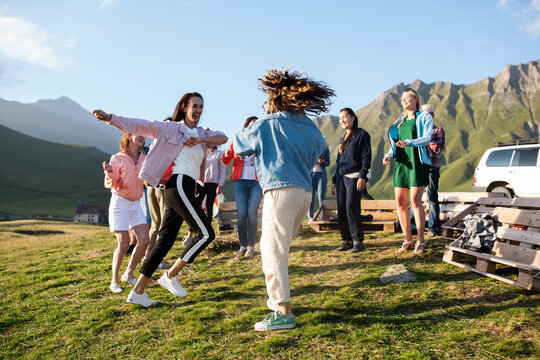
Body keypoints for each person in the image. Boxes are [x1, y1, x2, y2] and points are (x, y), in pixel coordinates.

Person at [93, 92, 228, 307]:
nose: (198, 110)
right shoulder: (171, 128)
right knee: (205, 233)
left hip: (188, 186)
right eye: (194, 106)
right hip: (178, 183)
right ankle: (171, 275)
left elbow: (223, 137)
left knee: (164, 241)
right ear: (184, 107)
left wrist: (201, 139)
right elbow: (140, 125)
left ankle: (138, 292)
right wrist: (111, 118)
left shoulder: (202, 133)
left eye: (201, 107)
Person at [234, 69, 332, 331]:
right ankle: (278, 302)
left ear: (275, 96)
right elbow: (320, 151)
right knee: (280, 249)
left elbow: (238, 146)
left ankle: (283, 311)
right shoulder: (311, 126)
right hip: (305, 192)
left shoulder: (268, 122)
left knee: (272, 250)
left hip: (280, 190)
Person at [383, 88, 433, 255]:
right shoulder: (400, 120)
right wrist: (389, 155)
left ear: (415, 99)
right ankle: (407, 239)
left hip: (417, 161)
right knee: (399, 202)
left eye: (407, 97)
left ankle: (421, 240)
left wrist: (410, 142)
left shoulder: (424, 116)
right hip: (402, 163)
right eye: (402, 98)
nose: (404, 100)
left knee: (415, 201)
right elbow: (395, 142)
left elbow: (427, 138)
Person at [103, 133, 150, 293]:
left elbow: (148, 177)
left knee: (144, 240)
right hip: (120, 203)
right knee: (123, 244)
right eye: (140, 135)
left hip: (136, 203)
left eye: (145, 135)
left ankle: (129, 273)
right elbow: (113, 183)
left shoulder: (144, 157)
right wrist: (109, 172)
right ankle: (114, 281)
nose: (143, 137)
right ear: (129, 137)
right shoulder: (117, 158)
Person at [330, 108, 372, 253]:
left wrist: (362, 175)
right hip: (341, 177)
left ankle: (358, 241)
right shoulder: (343, 138)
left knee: (351, 208)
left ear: (353, 118)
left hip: (354, 176)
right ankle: (346, 240)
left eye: (345, 117)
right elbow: (339, 161)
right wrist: (335, 180)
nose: (342, 120)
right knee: (341, 209)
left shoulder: (362, 134)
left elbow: (366, 157)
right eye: (340, 118)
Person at [222, 116, 263, 259]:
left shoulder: (261, 141)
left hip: (256, 182)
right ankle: (242, 246)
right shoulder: (238, 140)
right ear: (245, 127)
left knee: (252, 212)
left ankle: (251, 247)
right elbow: (226, 160)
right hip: (240, 181)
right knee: (241, 214)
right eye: (251, 125)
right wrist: (227, 154)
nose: (253, 127)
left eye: (256, 125)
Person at [182, 144, 226, 246]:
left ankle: (206, 234)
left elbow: (222, 171)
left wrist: (220, 185)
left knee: (209, 207)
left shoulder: (219, 154)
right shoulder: (202, 153)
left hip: (213, 184)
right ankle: (190, 235)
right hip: (200, 182)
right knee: (195, 207)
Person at [423, 104, 445, 237]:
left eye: (428, 114)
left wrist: (426, 139)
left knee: (431, 198)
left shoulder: (438, 130)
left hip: (432, 169)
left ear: (432, 115)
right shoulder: (419, 130)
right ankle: (415, 226)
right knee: (417, 199)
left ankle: (433, 228)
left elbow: (437, 149)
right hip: (419, 168)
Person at [308, 146, 330, 222]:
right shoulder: (310, 146)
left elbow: (328, 162)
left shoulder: (325, 148)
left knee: (321, 195)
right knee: (311, 196)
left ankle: (323, 216)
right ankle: (310, 217)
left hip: (321, 174)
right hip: (310, 174)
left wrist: (323, 162)